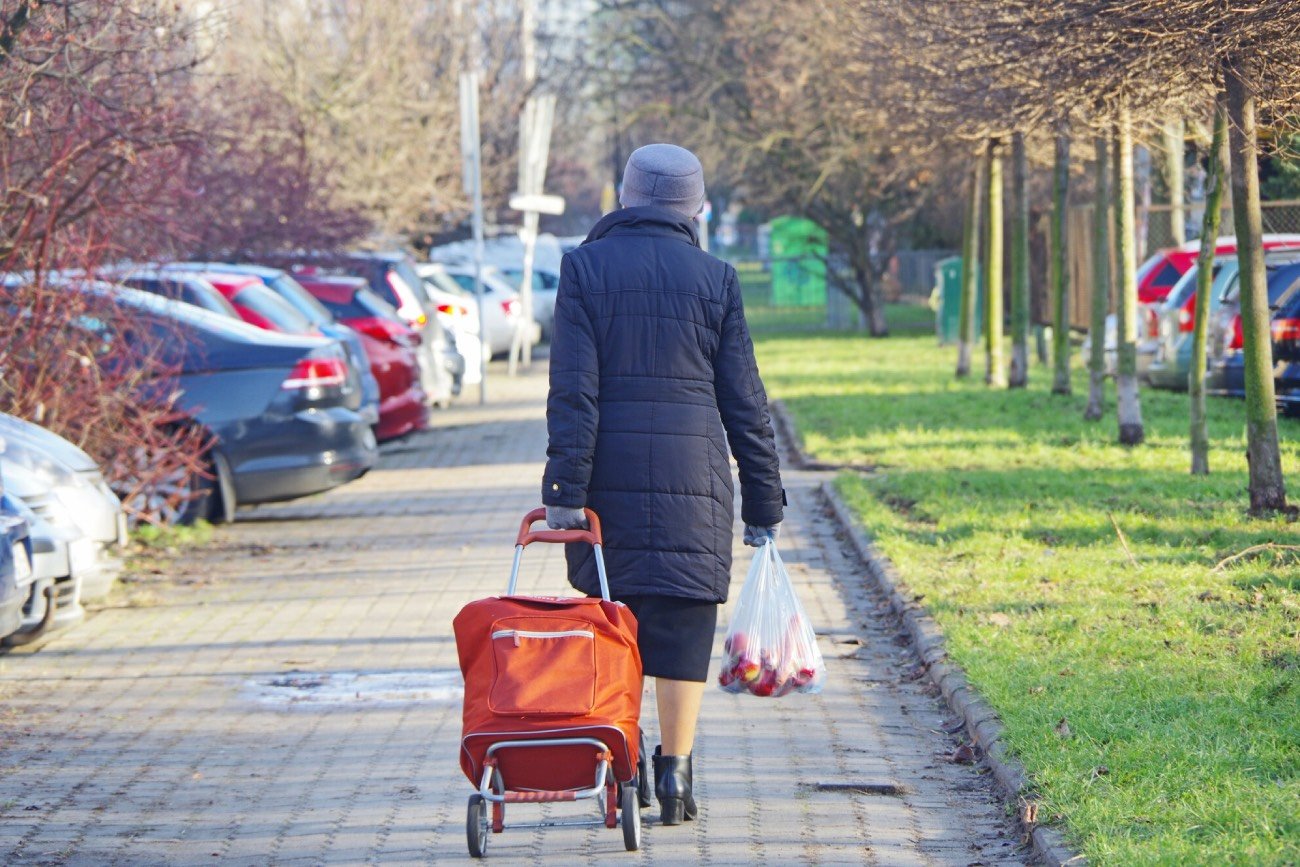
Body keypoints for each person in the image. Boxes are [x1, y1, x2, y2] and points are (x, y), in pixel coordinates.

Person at [541, 143, 784, 826]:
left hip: (605, 483)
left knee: (615, 624)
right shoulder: (717, 278)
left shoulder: (583, 269)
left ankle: (624, 764)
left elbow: (573, 393)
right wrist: (764, 501)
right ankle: (674, 773)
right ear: (697, 208)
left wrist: (564, 490)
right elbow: (746, 401)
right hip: (696, 483)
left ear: (623, 198)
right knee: (681, 629)